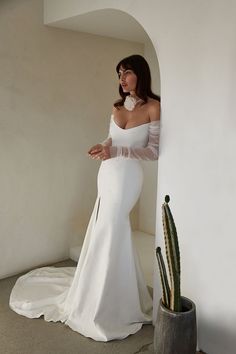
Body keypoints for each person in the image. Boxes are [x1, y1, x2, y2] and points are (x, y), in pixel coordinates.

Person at [9, 54, 161, 342]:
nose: (122, 79)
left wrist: (116, 152)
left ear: (140, 74)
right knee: (108, 228)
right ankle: (104, 293)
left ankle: (112, 299)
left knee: (113, 227)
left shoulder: (154, 107)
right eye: (119, 74)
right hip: (107, 174)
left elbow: (153, 152)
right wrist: (103, 146)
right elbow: (111, 140)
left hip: (128, 177)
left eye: (126, 72)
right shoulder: (116, 107)